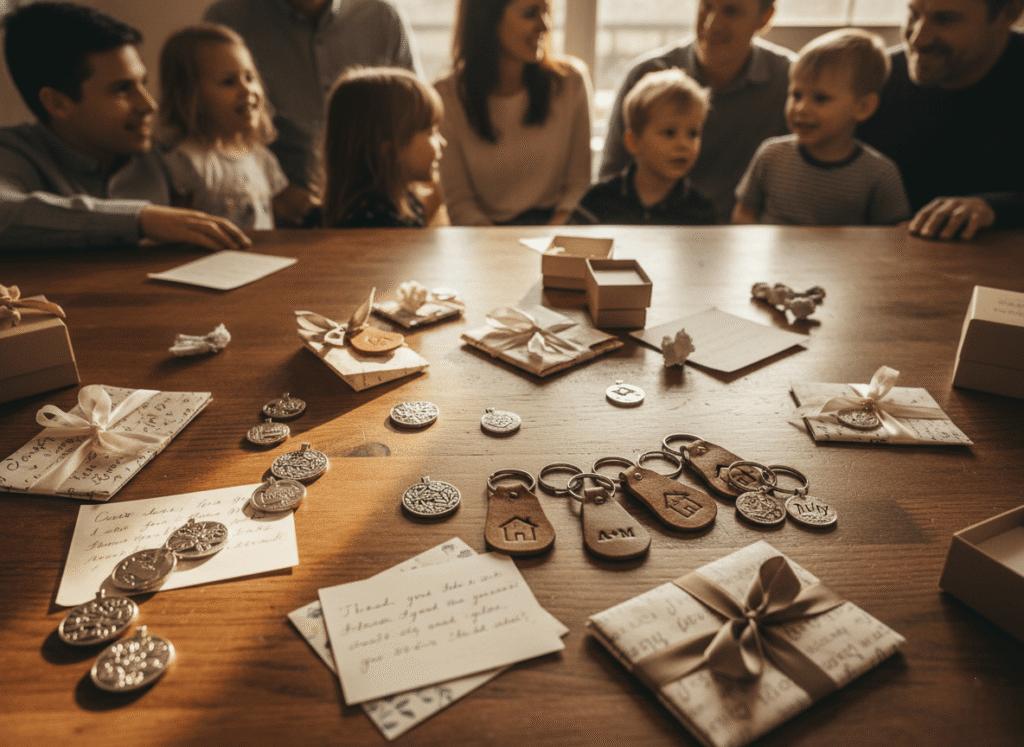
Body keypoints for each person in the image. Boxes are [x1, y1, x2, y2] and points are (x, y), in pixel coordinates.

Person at [0, 2, 250, 251]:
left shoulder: (166, 153)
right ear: (57, 103)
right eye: (122, 89)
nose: (148, 105)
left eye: (143, 83)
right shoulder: (13, 153)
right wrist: (140, 219)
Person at [599, 0, 794, 224]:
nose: (712, 24)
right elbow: (610, 182)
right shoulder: (646, 75)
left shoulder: (793, 85)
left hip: (748, 240)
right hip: (655, 234)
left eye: (731, 11)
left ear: (765, 17)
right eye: (706, 6)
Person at [203, 0, 422, 197]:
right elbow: (210, 129)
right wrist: (279, 197)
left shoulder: (383, 16)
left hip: (375, 203)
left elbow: (416, 120)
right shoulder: (228, 19)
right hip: (269, 208)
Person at [858, 0, 1024, 240]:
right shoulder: (872, 81)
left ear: (1007, 14)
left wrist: (995, 208)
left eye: (945, 19)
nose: (918, 39)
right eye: (913, 15)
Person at [435, 0, 592, 226]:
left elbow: (578, 185)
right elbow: (459, 203)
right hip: (481, 240)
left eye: (546, 11)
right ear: (487, 20)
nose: (545, 26)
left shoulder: (571, 82)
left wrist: (549, 240)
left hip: (556, 233)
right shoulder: (446, 95)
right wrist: (502, 252)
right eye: (530, 14)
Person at [732, 29, 911, 226]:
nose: (801, 108)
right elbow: (744, 212)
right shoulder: (770, 155)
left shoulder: (880, 174)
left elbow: (895, 235)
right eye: (796, 95)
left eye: (820, 98)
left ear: (863, 107)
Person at [158, 24, 314, 230]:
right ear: (189, 96)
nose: (246, 89)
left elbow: (289, 205)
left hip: (262, 260)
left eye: (249, 77)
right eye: (228, 81)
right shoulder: (189, 161)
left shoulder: (260, 156)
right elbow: (175, 227)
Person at [571, 69, 715, 225]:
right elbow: (571, 248)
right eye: (669, 133)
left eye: (693, 133)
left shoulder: (701, 212)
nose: (683, 144)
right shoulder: (598, 200)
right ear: (633, 142)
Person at [321, 68, 445, 228]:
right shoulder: (373, 223)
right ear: (389, 151)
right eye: (430, 132)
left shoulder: (407, 202)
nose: (442, 142)